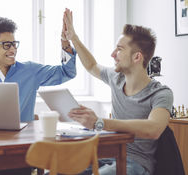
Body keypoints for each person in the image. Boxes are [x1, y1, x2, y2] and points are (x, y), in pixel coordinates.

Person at [63, 8, 173, 175]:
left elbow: (154, 128)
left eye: (119, 49)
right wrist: (74, 38)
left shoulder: (161, 93)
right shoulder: (116, 78)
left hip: (136, 164)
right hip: (106, 156)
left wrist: (100, 122)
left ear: (137, 57)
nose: (113, 54)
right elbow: (92, 66)